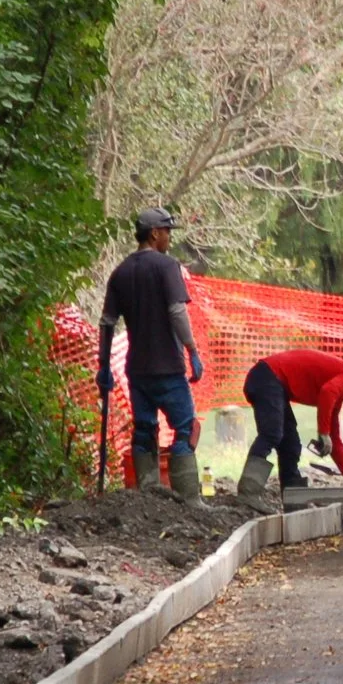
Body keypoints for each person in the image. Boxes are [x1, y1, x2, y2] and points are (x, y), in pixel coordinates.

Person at [98, 208, 208, 502]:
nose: (169, 237)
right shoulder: (166, 267)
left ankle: (147, 499)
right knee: (186, 429)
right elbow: (176, 311)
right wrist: (193, 351)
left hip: (137, 372)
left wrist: (103, 366)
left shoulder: (120, 272)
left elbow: (107, 322)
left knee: (144, 431)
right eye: (167, 231)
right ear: (154, 233)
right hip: (169, 369)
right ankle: (191, 501)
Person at [242, 351, 343, 493]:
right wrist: (323, 433)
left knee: (290, 445)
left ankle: (293, 500)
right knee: (272, 433)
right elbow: (327, 392)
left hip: (272, 382)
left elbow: (334, 440)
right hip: (267, 377)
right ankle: (248, 491)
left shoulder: (340, 388)